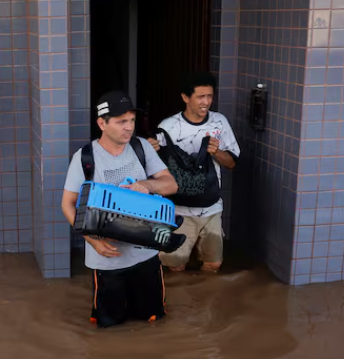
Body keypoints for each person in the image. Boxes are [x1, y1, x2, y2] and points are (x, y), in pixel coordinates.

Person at [61, 90, 179, 328]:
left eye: (132, 121)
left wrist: (147, 184)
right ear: (101, 123)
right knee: (108, 325)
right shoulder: (84, 157)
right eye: (121, 121)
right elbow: (67, 204)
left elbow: (171, 185)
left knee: (153, 321)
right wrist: (92, 240)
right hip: (107, 261)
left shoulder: (141, 148)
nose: (129, 127)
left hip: (145, 254)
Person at [148, 72, 240, 273]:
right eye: (200, 96)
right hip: (178, 210)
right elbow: (153, 169)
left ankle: (205, 303)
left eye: (209, 96)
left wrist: (216, 152)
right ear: (185, 97)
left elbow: (232, 163)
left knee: (213, 264)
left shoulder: (219, 123)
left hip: (211, 208)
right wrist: (150, 149)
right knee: (175, 266)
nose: (206, 102)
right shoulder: (168, 127)